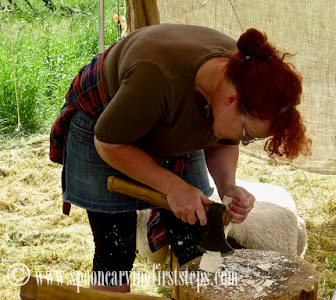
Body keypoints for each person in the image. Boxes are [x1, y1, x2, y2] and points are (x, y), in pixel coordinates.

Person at [49, 23, 310, 293]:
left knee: (193, 238)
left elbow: (225, 138)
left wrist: (227, 185)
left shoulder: (246, 76)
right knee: (115, 251)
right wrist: (173, 187)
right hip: (108, 121)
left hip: (164, 110)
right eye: (247, 134)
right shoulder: (158, 77)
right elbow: (108, 142)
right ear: (231, 101)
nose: (244, 141)